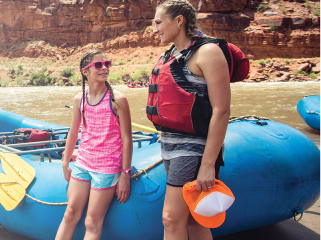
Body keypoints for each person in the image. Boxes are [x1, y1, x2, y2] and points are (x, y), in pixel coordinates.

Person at [150, 0, 231, 239]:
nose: (154, 29)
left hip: (194, 150)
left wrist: (208, 164)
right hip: (170, 145)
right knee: (196, 220)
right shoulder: (170, 54)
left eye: (158, 22)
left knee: (171, 219)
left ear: (178, 21)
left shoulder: (207, 52)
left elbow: (222, 111)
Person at [56, 49, 133, 240]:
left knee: (91, 222)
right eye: (98, 65)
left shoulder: (117, 100)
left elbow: (127, 139)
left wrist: (125, 174)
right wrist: (66, 162)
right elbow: (73, 132)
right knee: (70, 213)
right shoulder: (79, 99)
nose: (104, 68)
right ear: (85, 71)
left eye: (107, 64)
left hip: (107, 168)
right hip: (83, 163)